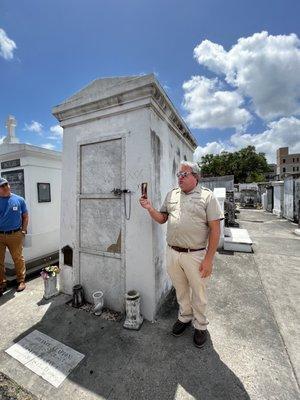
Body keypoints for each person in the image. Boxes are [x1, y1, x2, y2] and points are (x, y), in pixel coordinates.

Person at [140, 161, 224, 348]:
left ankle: (200, 325)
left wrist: (209, 260)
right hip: (173, 252)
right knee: (180, 289)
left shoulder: (207, 197)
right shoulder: (172, 195)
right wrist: (149, 208)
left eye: (185, 174)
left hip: (195, 255)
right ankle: (185, 317)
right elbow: (162, 219)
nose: (180, 177)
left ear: (196, 176)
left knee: (199, 292)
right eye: (179, 174)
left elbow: (215, 230)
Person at [0, 178, 29, 295]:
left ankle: (21, 281)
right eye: (2, 186)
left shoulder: (19, 200)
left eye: (6, 184)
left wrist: (23, 230)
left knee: (18, 258)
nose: (5, 187)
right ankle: (2, 284)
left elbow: (25, 216)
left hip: (15, 234)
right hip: (0, 235)